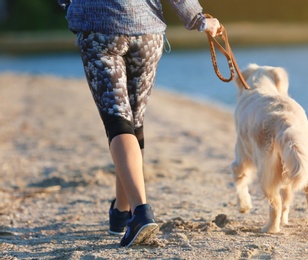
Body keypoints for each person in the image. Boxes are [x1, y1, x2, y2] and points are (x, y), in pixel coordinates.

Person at [57, 0, 221, 247]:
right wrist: (198, 20)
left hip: (99, 29)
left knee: (118, 122)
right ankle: (122, 212)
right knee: (134, 123)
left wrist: (71, 7)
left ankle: (140, 211)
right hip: (147, 32)